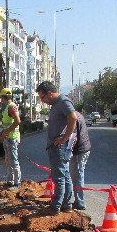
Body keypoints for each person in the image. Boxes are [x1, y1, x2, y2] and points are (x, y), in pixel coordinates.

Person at [37, 80, 77, 215]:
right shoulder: (56, 104)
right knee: (65, 175)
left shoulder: (63, 102)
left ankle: (55, 206)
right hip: (55, 146)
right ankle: (67, 204)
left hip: (59, 147)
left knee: (58, 177)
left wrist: (65, 137)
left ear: (50, 93)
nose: (42, 101)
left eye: (42, 97)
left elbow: (73, 117)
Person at [0, 88, 22, 188]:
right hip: (8, 138)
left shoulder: (11, 107)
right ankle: (10, 181)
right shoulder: (7, 106)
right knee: (8, 160)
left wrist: (7, 131)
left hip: (12, 138)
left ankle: (17, 183)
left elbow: (17, 121)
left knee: (13, 160)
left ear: (3, 97)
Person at [71, 107, 92, 210]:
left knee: (78, 175)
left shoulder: (72, 116)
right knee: (76, 174)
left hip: (80, 150)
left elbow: (73, 137)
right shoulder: (78, 114)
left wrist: (66, 150)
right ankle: (77, 200)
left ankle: (80, 202)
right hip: (83, 148)